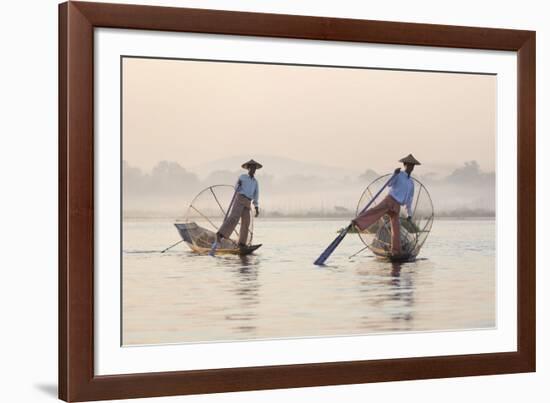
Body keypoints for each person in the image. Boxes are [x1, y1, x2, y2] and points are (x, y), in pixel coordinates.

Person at [352, 154, 421, 256]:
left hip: (397, 205)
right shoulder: (399, 175)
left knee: (396, 229)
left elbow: (409, 200)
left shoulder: (411, 183)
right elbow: (389, 184)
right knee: (376, 211)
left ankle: (396, 251)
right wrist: (394, 174)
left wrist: (409, 214)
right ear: (405, 165)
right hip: (390, 200)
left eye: (412, 166)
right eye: (409, 165)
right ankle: (357, 222)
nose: (411, 167)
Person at [216, 159, 261, 248]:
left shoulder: (255, 182)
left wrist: (256, 207)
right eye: (251, 168)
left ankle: (241, 243)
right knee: (234, 218)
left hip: (248, 202)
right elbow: (236, 188)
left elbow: (256, 195)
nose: (253, 170)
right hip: (240, 198)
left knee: (246, 222)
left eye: (254, 168)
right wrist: (238, 184)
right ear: (248, 169)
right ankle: (220, 234)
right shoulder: (242, 177)